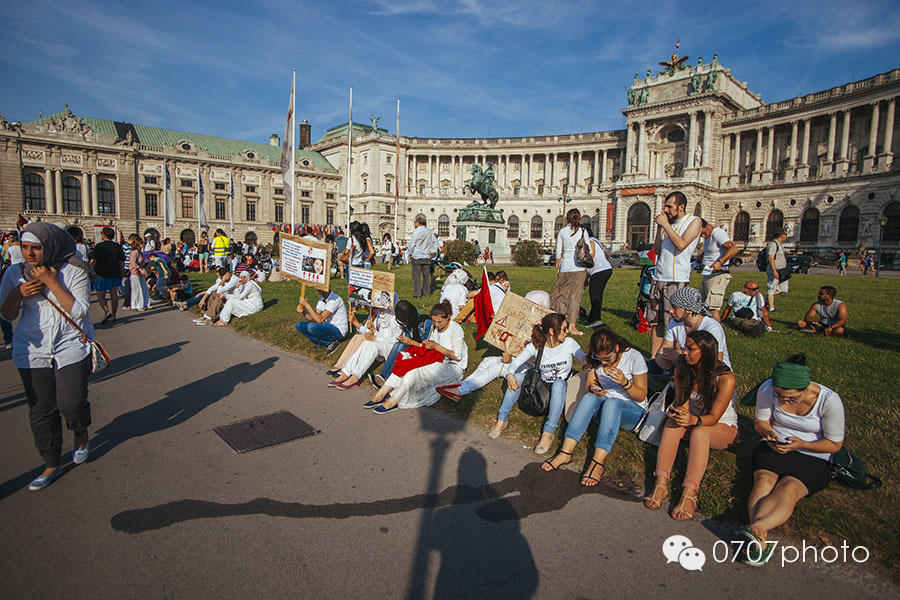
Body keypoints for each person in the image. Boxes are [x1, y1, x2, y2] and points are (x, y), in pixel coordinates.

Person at [0, 223, 96, 491]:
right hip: (32, 348)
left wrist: (52, 283)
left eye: (36, 248)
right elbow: (6, 315)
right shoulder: (14, 273)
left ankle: (80, 432)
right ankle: (51, 462)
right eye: (25, 247)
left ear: (50, 246)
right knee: (41, 409)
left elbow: (79, 312)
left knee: (71, 402)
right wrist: (17, 294)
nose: (29, 254)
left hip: (70, 342)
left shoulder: (73, 270)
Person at [739, 354, 845, 566]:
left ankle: (757, 529)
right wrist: (768, 433)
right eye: (779, 396)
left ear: (805, 389)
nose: (783, 401)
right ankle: (759, 539)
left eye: (791, 399)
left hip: (813, 453)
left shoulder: (829, 401)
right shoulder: (768, 388)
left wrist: (801, 444)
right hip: (775, 445)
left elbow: (834, 444)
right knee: (763, 482)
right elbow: (760, 422)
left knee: (788, 488)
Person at [644, 330, 738, 520]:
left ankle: (690, 492)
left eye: (690, 349)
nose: (684, 352)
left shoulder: (725, 378)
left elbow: (713, 416)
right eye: (685, 347)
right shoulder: (683, 369)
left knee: (700, 433)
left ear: (705, 352)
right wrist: (680, 413)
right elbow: (683, 404)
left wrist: (693, 421)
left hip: (721, 426)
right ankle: (661, 483)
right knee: (673, 423)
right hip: (694, 420)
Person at [542, 326, 648, 486]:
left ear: (616, 348)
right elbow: (590, 384)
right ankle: (565, 452)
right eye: (599, 359)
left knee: (613, 403)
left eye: (607, 358)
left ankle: (597, 462)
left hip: (632, 410)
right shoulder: (595, 359)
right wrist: (594, 389)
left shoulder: (634, 357)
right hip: (605, 405)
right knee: (589, 398)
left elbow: (641, 395)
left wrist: (625, 383)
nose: (603, 362)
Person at [490, 312, 586, 454]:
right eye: (564, 329)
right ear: (552, 331)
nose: (567, 332)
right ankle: (502, 419)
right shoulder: (537, 347)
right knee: (517, 377)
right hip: (543, 386)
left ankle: (549, 431)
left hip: (562, 387)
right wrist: (510, 375)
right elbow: (515, 363)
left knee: (559, 384)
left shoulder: (569, 344)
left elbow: (584, 360)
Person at [438, 289, 549, 402]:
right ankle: (462, 385)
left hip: (529, 368)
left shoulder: (545, 332)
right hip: (518, 359)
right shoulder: (530, 324)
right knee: (487, 361)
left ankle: (461, 391)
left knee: (495, 368)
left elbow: (537, 358)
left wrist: (511, 358)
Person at [364, 300, 467, 414]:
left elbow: (457, 356)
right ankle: (380, 395)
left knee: (413, 372)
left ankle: (394, 401)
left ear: (448, 317)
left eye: (440, 321)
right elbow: (430, 347)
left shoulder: (455, 329)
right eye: (434, 321)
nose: (437, 324)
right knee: (406, 365)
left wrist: (436, 346)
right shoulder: (435, 328)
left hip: (452, 366)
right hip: (437, 360)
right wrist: (427, 346)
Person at [648, 191, 702, 356]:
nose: (666, 209)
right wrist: (659, 229)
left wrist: (666, 225)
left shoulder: (693, 221)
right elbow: (657, 249)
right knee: (656, 322)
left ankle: (677, 356)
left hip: (676, 279)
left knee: (675, 321)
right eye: (665, 206)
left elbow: (681, 244)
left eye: (669, 206)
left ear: (681, 207)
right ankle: (654, 356)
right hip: (659, 277)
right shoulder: (667, 225)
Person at [328, 305, 402, 388]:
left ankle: (355, 377)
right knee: (368, 342)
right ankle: (347, 372)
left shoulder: (396, 315)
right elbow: (373, 336)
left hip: (393, 351)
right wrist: (367, 328)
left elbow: (398, 341)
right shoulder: (379, 314)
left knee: (373, 343)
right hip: (382, 345)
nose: (379, 307)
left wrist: (375, 337)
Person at [551, 208, 588, 336]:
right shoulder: (583, 231)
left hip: (565, 267)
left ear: (567, 218)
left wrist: (558, 267)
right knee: (574, 297)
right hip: (578, 268)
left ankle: (560, 322)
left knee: (561, 296)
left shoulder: (562, 231)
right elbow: (587, 248)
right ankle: (572, 325)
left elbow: (557, 253)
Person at [698, 219, 739, 321]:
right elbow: (710, 252)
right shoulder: (708, 237)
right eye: (700, 235)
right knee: (703, 306)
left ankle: (716, 334)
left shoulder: (717, 233)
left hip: (718, 275)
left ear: (708, 225)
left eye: (703, 233)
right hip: (708, 275)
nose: (702, 236)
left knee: (713, 309)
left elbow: (734, 248)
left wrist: (720, 262)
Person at [295, 287, 349, 354]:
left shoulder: (336, 300)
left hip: (339, 331)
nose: (321, 291)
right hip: (329, 327)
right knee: (299, 325)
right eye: (319, 289)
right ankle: (321, 341)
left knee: (311, 327)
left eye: (323, 289)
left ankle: (331, 342)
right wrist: (303, 311)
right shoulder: (322, 300)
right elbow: (312, 318)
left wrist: (307, 304)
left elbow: (319, 319)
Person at [90, 227, 125, 326]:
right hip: (115, 272)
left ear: (104, 235)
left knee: (101, 295)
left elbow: (94, 260)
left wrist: (89, 270)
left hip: (101, 273)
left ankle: (106, 311)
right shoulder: (117, 246)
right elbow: (121, 262)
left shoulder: (99, 246)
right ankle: (114, 315)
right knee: (114, 294)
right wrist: (122, 272)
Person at [582, 223, 613, 328]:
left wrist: (583, 265)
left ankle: (596, 319)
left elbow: (591, 255)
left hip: (599, 270)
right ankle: (592, 317)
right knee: (596, 294)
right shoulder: (596, 240)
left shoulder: (589, 241)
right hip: (604, 270)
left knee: (595, 296)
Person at [409, 214, 436, 297]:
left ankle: (417, 294)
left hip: (417, 256)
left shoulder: (416, 231)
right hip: (427, 256)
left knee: (416, 276)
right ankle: (427, 293)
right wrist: (433, 251)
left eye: (415, 222)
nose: (414, 223)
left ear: (418, 222)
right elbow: (435, 242)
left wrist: (410, 253)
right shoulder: (430, 231)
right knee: (426, 276)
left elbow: (412, 244)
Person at [766, 227, 789, 312]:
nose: (786, 236)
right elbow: (770, 257)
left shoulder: (779, 244)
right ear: (781, 235)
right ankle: (771, 307)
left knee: (783, 288)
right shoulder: (773, 244)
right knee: (772, 288)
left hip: (782, 270)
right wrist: (774, 270)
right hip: (775, 270)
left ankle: (766, 299)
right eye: (785, 234)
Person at [127, 234, 149, 311]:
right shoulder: (135, 252)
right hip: (135, 272)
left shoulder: (140, 252)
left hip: (140, 272)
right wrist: (140, 269)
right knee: (137, 289)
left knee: (144, 288)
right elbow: (133, 262)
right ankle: (137, 305)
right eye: (142, 243)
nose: (143, 245)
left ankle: (145, 303)